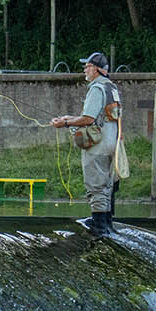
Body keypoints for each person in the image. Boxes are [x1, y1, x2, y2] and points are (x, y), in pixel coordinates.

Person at [49, 52, 123, 235]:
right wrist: (70, 118)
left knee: (96, 186)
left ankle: (99, 227)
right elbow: (103, 117)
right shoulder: (111, 88)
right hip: (111, 142)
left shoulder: (96, 88)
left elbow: (89, 118)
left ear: (97, 69)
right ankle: (106, 223)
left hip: (97, 144)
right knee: (106, 186)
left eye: (87, 66)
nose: (85, 69)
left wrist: (65, 123)